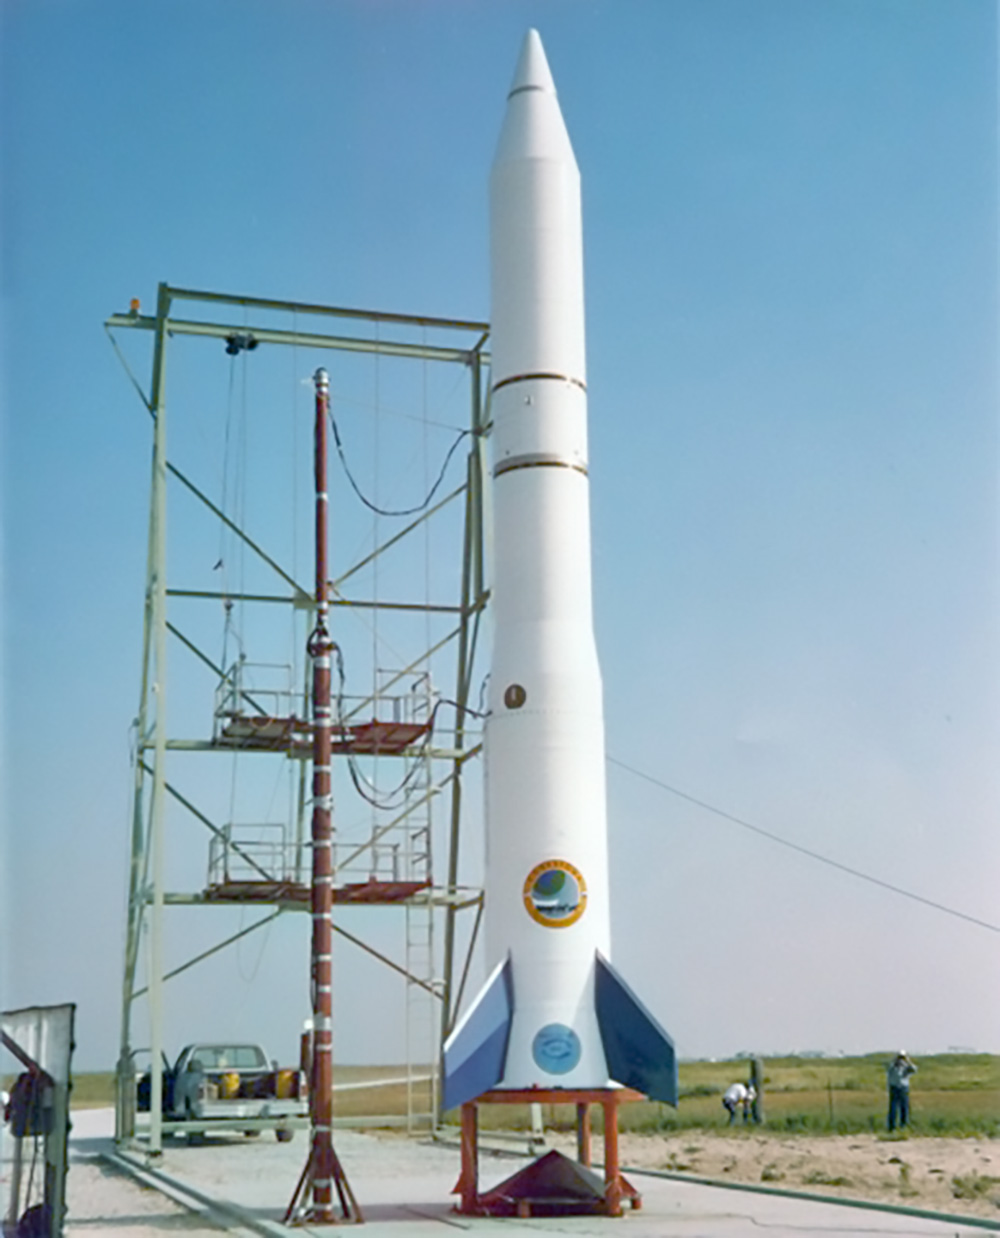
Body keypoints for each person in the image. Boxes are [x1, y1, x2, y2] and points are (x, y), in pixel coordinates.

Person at [885, 1051, 917, 1131]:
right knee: (893, 1108)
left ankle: (904, 1126)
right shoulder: (892, 1067)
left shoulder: (906, 1068)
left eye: (902, 1058)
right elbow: (888, 1068)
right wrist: (895, 1061)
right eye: (900, 1058)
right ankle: (892, 1127)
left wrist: (908, 1061)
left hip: (903, 1088)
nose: (901, 1060)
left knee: (904, 1108)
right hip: (894, 1088)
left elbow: (914, 1069)